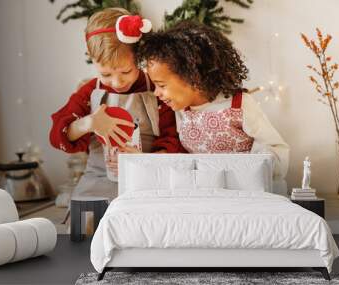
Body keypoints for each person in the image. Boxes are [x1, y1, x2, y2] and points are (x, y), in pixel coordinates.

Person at [137, 21, 290, 193]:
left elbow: (275, 150)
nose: (156, 93)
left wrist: (247, 171)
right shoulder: (181, 110)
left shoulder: (239, 105)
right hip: (204, 194)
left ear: (192, 77)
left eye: (161, 85)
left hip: (244, 193)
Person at [50, 8, 184, 199]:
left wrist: (143, 161)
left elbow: (174, 141)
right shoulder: (90, 91)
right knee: (86, 223)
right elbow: (57, 136)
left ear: (139, 57)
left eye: (126, 71)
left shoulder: (156, 89)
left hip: (148, 179)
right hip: (98, 182)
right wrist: (89, 123)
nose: (117, 82)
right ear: (92, 58)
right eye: (106, 74)